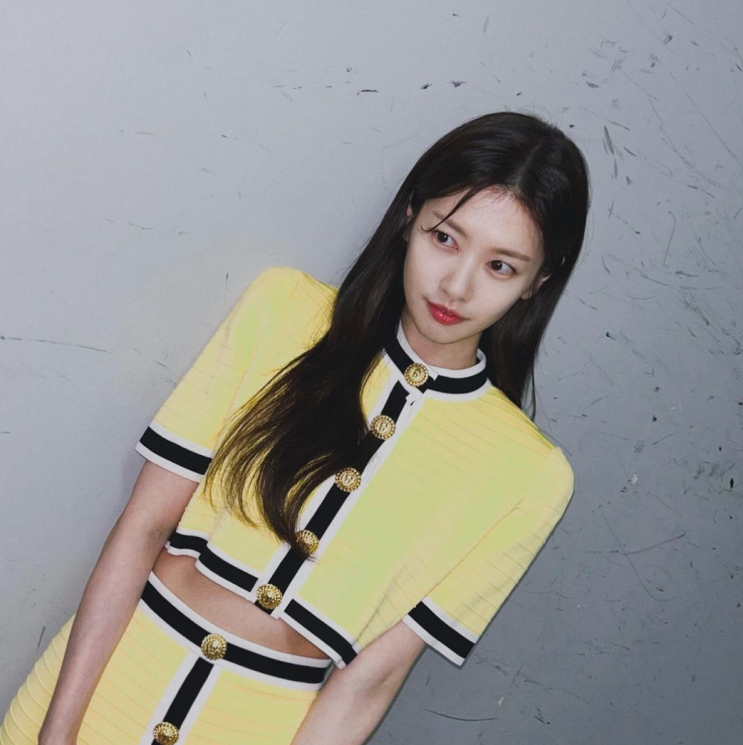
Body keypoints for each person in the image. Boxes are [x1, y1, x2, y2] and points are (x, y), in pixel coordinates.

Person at [1, 110, 590, 745]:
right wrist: (56, 733)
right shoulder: (282, 313)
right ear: (409, 219)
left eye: (501, 266)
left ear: (539, 281)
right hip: (105, 681)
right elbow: (141, 529)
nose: (457, 285)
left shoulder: (530, 477)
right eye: (445, 238)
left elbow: (371, 681)